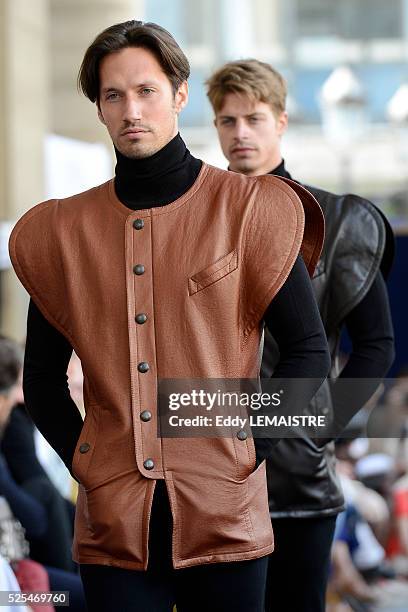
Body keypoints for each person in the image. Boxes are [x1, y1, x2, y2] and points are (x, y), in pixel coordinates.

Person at [9, 22, 330, 611]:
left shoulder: (249, 210)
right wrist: (86, 460)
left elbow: (309, 350)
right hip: (112, 527)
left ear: (179, 95)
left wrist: (250, 444)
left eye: (147, 90)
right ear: (99, 109)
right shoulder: (61, 232)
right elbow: (42, 379)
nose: (132, 110)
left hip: (228, 519)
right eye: (113, 96)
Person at [206, 58, 395, 612]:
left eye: (254, 118)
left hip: (298, 479)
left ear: (281, 121)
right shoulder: (195, 219)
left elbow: (376, 344)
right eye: (227, 121)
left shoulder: (337, 220)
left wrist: (321, 426)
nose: (241, 133)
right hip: (207, 463)